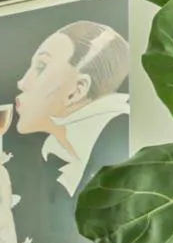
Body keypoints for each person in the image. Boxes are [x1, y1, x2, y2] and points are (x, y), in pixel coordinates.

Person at [13, 20, 133, 195]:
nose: (21, 83)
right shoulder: (55, 158)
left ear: (77, 91)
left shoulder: (123, 143)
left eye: (40, 67)